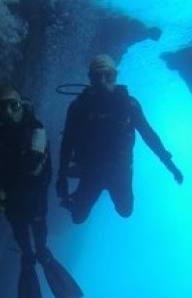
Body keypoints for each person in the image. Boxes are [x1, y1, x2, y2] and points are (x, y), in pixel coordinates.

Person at [0, 85, 83, 298]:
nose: (7, 112)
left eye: (12, 105)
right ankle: (31, 256)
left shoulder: (35, 128)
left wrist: (0, 172)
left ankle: (41, 254)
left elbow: (33, 164)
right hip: (13, 195)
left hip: (32, 194)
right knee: (23, 237)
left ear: (21, 106)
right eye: (1, 106)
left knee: (37, 232)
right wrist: (1, 182)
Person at [56, 54, 183, 224]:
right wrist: (61, 175)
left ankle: (80, 192)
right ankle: (79, 191)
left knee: (125, 211)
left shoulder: (129, 106)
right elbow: (67, 142)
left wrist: (170, 164)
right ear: (90, 79)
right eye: (97, 76)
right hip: (91, 170)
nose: (102, 81)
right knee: (77, 218)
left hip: (119, 170)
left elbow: (149, 135)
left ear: (115, 77)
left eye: (107, 75)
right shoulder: (78, 108)